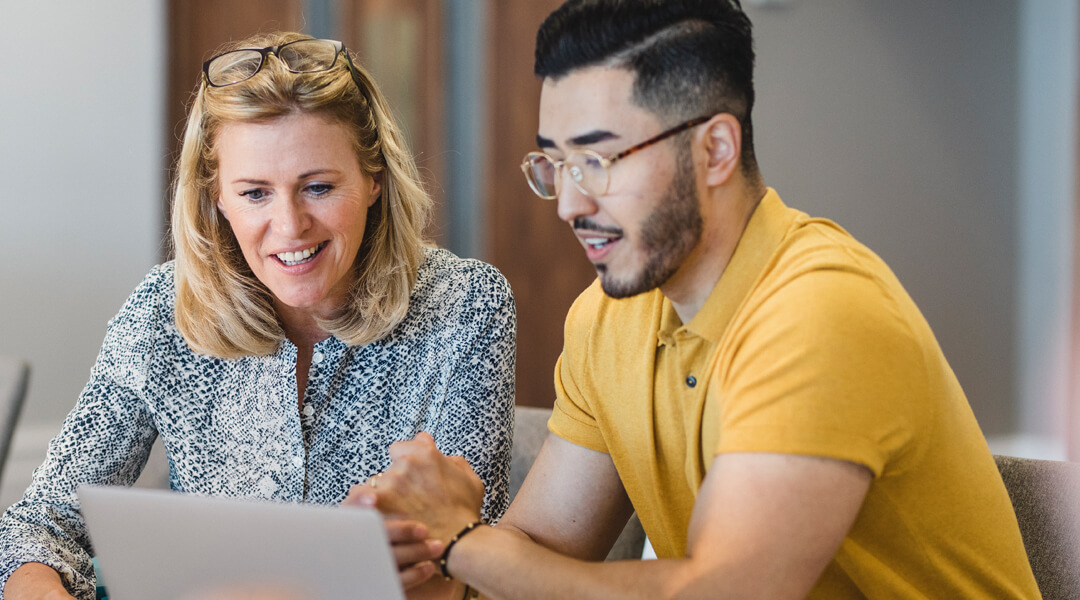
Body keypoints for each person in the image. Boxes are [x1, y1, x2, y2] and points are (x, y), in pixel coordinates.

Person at [345, 1, 1043, 598]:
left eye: (597, 161)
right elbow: (540, 555)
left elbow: (725, 592)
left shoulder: (819, 311)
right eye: (553, 163)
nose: (568, 203)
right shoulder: (608, 316)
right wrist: (419, 549)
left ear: (714, 150)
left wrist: (464, 541)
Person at [0, 32, 516, 600]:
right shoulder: (161, 309)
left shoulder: (466, 305)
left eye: (317, 187)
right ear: (216, 196)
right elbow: (42, 524)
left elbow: (462, 564)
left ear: (374, 178)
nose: (291, 226)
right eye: (254, 194)